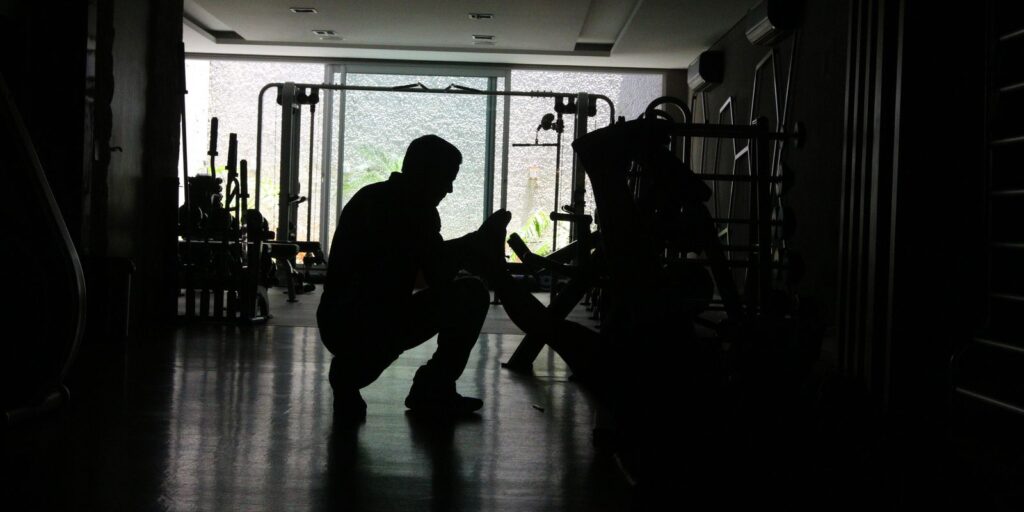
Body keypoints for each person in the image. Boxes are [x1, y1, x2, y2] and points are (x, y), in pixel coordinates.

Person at [317, 134, 511, 422]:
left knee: (460, 293)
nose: (450, 189)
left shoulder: (371, 197)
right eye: (447, 178)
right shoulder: (415, 212)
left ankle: (352, 375)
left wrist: (464, 248)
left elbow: (425, 270)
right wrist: (473, 245)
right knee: (471, 294)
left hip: (338, 321)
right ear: (426, 174)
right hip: (370, 324)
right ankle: (429, 387)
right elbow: (438, 275)